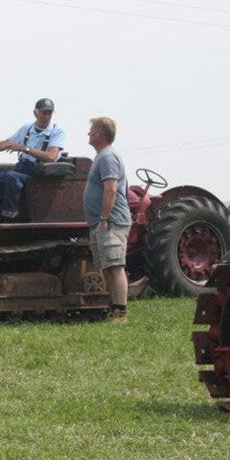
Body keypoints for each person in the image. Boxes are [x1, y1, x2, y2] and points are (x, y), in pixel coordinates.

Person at [84, 116, 132, 323]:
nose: (88, 133)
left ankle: (121, 312)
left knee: (115, 266)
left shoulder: (108, 157)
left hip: (110, 222)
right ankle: (114, 309)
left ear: (99, 134)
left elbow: (111, 189)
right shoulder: (101, 156)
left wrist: (104, 218)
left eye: (91, 130)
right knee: (107, 267)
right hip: (102, 222)